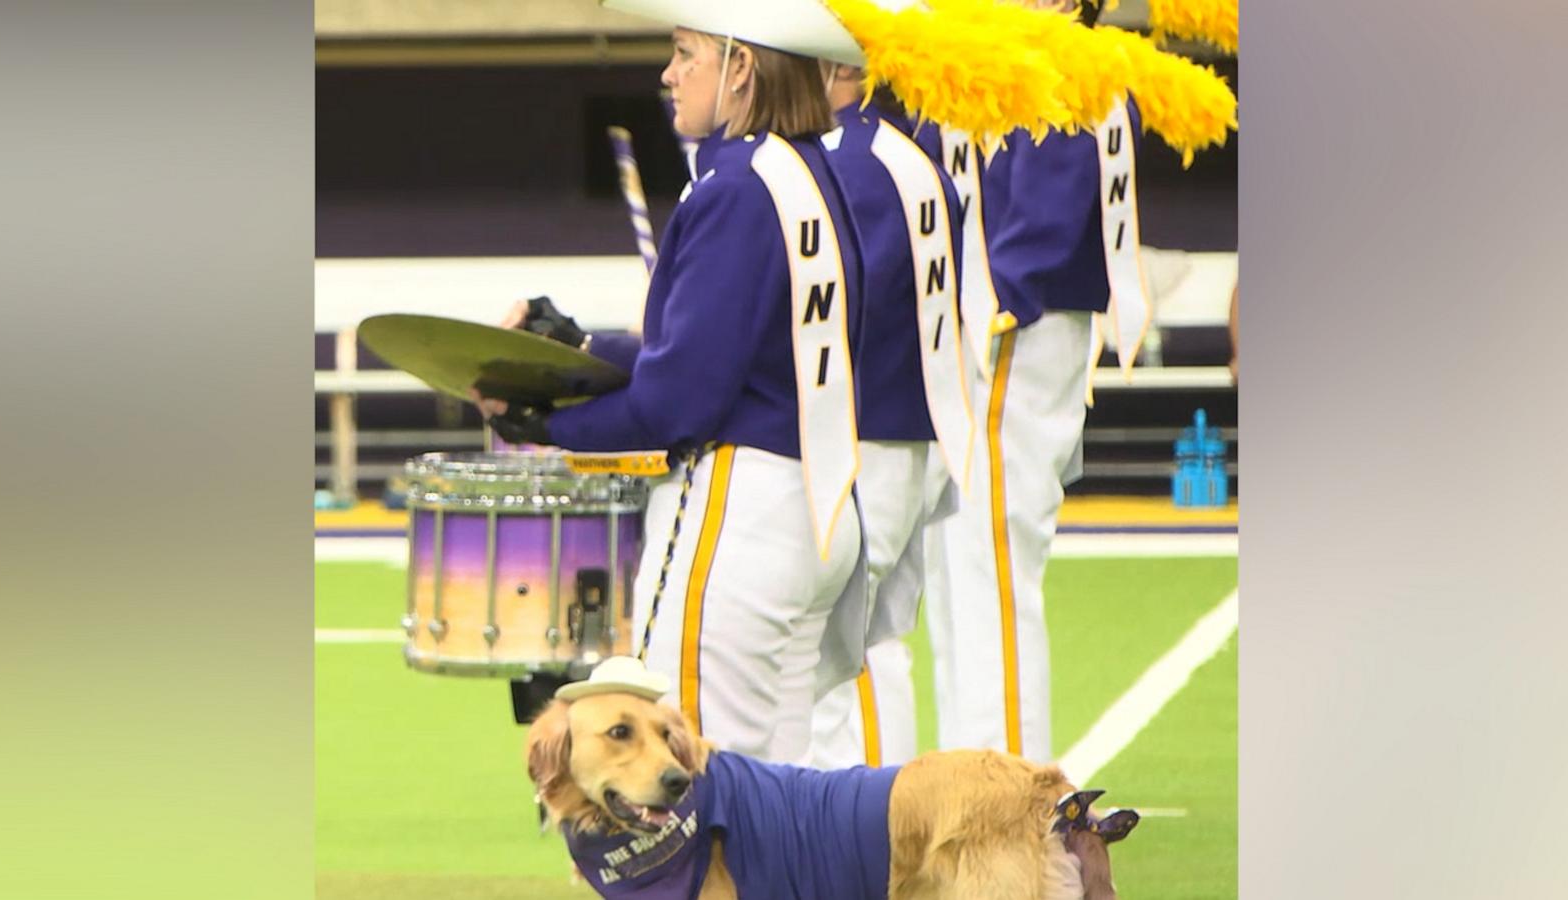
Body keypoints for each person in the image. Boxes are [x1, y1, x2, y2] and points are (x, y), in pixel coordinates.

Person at [477, 11, 867, 765]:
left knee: (703, 784)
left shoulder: (733, 186)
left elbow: (676, 402)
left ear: (741, 67)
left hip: (738, 512)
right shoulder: (814, 171)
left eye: (685, 54)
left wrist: (547, 425)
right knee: (777, 793)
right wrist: (585, 349)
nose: (669, 73)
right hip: (819, 506)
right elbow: (725, 352)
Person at [919, 0, 1147, 762]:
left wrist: (946, 319)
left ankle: (1011, 812)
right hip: (989, 334)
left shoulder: (1068, 72)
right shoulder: (1016, 63)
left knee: (988, 582)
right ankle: (969, 785)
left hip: (1011, 335)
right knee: (958, 584)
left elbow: (1031, 244)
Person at [805, 64, 971, 769]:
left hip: (862, 438)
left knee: (846, 664)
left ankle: (873, 853)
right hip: (915, 435)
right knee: (874, 652)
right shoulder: (914, 157)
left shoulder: (845, 163)